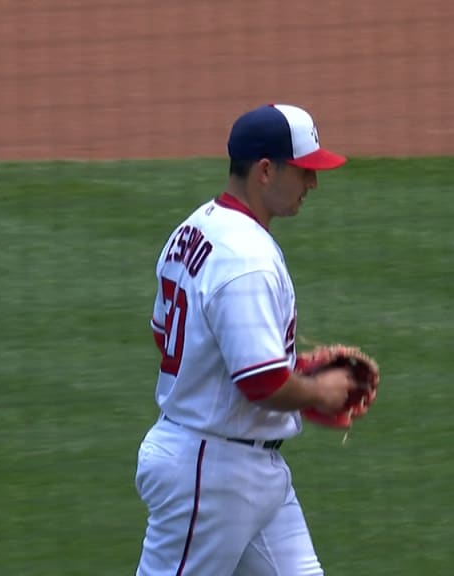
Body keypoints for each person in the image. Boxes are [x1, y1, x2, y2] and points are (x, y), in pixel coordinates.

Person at [134, 103, 358, 575]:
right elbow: (261, 384)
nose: (312, 184)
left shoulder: (196, 229)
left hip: (248, 469)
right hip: (211, 474)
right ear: (264, 170)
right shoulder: (246, 258)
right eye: (303, 172)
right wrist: (318, 390)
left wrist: (287, 372)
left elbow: (168, 336)